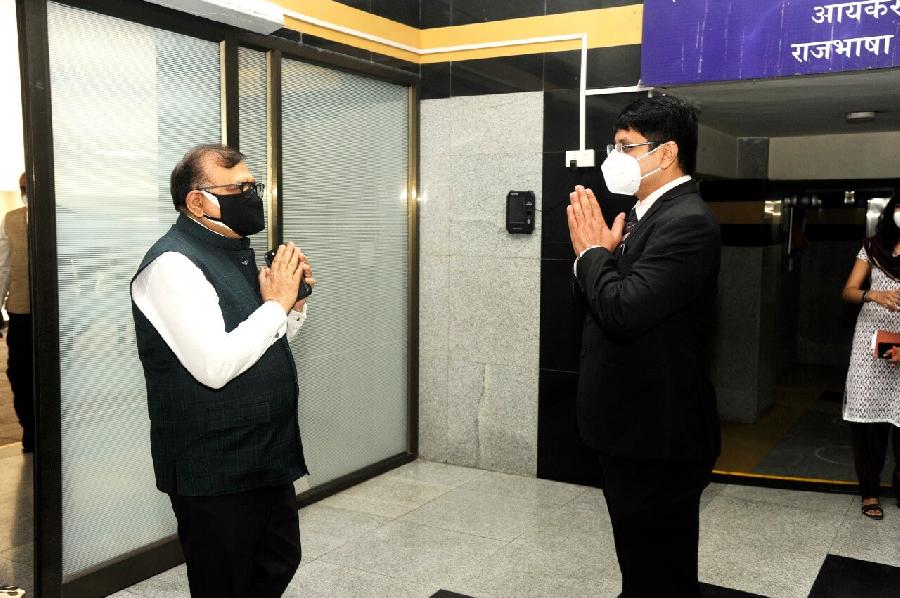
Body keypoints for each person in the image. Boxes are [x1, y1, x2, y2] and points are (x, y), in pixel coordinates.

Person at [131, 144, 315, 597]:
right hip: (214, 464)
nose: (252, 196)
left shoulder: (237, 253)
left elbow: (255, 347)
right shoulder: (172, 265)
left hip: (264, 451)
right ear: (197, 202)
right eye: (238, 188)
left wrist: (291, 307)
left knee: (278, 559)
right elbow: (215, 366)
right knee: (224, 583)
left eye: (253, 186)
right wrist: (275, 305)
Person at [566, 95, 721, 598]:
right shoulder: (642, 215)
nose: (615, 158)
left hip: (658, 434)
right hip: (632, 427)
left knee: (661, 571)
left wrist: (592, 253)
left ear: (666, 152)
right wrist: (599, 258)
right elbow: (605, 298)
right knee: (641, 564)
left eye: (625, 146)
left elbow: (623, 311)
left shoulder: (686, 221)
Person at [841, 196, 900, 520]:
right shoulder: (872, 248)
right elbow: (849, 291)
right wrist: (873, 294)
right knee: (870, 425)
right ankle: (870, 492)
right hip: (872, 343)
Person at [0, 172, 33, 454]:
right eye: (22, 188)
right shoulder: (10, 220)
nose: (25, 193)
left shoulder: (62, 217)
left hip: (54, 316)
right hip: (20, 311)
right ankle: (29, 428)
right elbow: (4, 267)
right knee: (18, 372)